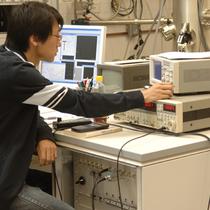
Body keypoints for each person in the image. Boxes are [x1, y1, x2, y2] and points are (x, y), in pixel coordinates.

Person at [0, 1, 173, 210]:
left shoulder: (6, 61)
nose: (60, 42)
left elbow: (26, 108)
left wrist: (44, 134)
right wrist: (142, 96)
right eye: (57, 35)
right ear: (35, 39)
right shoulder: (18, 73)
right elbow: (80, 102)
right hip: (7, 189)